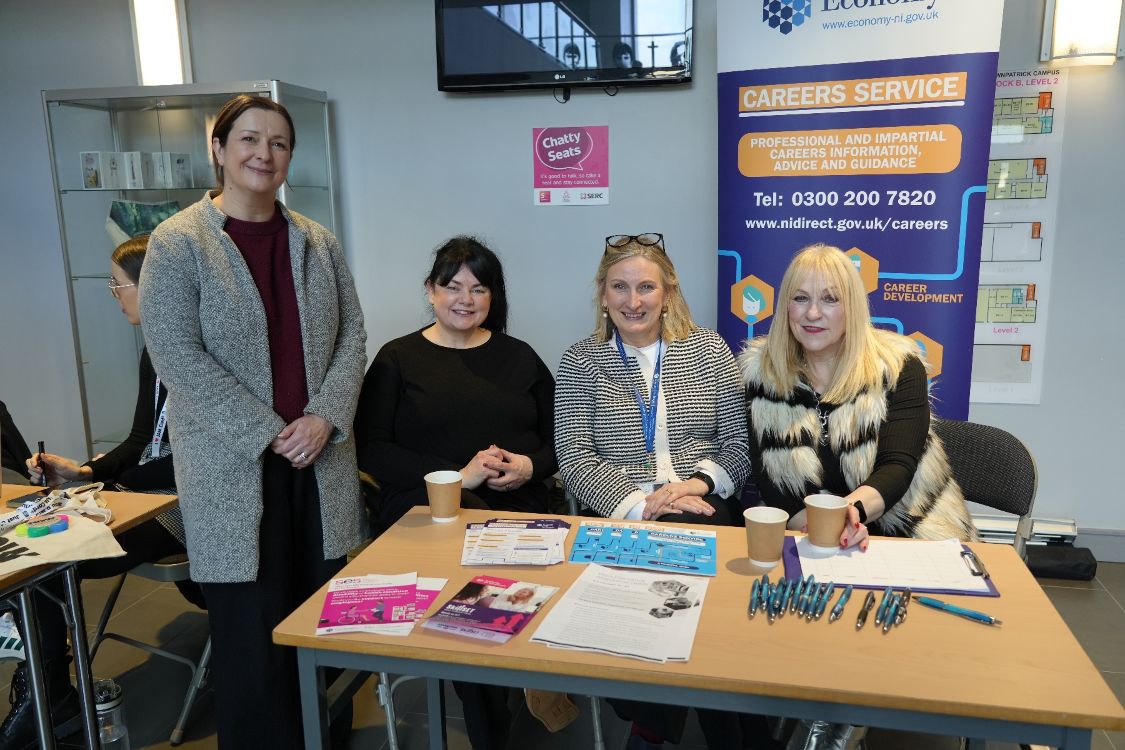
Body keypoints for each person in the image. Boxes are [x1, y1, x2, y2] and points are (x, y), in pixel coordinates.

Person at [138, 94, 367, 749]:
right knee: (250, 639)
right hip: (231, 471)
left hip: (319, 462)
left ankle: (325, 738)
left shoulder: (316, 242)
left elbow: (352, 335)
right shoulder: (178, 243)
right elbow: (175, 354)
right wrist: (269, 431)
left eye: (278, 143)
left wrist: (322, 418)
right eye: (248, 139)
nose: (263, 154)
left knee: (321, 620)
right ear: (218, 148)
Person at [554, 233, 757, 750]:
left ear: (668, 292)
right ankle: (720, 726)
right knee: (674, 586)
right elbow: (573, 458)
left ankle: (652, 726)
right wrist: (644, 503)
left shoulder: (708, 351)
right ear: (602, 294)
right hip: (623, 511)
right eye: (619, 287)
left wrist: (693, 484)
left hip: (704, 502)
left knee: (685, 559)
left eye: (646, 287)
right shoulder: (581, 360)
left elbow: (738, 444)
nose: (633, 301)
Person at [1, 235, 199, 749]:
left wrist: (111, 486)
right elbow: (141, 440)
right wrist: (83, 471)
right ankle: (47, 689)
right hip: (146, 495)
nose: (114, 296)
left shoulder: (198, 347)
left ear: (153, 286)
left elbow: (196, 459)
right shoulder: (153, 351)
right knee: (38, 548)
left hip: (190, 505)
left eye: (118, 285)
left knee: (49, 557)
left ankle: (47, 692)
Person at [740, 242, 978, 550]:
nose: (813, 313)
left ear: (851, 307)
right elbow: (771, 482)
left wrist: (848, 517)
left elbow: (897, 466)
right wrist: (827, 530)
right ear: (786, 307)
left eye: (830, 299)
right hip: (814, 534)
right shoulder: (762, 375)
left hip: (912, 530)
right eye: (800, 298)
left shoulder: (898, 367)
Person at [355, 236, 556, 534]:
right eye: (453, 287)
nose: (466, 300)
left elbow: (562, 438)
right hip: (424, 503)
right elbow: (371, 449)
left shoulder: (521, 355)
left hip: (516, 504)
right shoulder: (396, 358)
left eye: (479, 289)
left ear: (492, 296)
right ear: (430, 290)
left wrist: (530, 467)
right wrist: (458, 477)